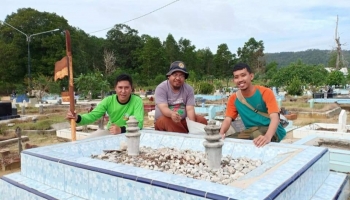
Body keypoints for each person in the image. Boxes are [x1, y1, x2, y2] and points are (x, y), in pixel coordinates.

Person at [219, 63, 286, 147]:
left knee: (256, 139)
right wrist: (221, 134)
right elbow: (228, 119)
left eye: (243, 75)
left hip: (271, 130)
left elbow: (275, 117)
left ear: (251, 76)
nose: (240, 79)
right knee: (230, 142)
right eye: (236, 77)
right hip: (250, 132)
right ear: (234, 80)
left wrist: (267, 137)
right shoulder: (233, 98)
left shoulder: (265, 92)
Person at [66, 74, 144, 138]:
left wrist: (121, 129)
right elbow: (93, 115)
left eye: (126, 88)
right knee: (88, 140)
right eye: (120, 87)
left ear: (131, 89)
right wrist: (77, 118)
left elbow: (139, 123)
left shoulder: (137, 101)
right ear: (115, 89)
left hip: (130, 133)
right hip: (111, 132)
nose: (123, 91)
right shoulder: (108, 100)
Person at [154, 61, 207, 133]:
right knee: (169, 121)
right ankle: (185, 137)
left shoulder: (188, 89)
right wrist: (172, 114)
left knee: (201, 120)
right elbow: (163, 108)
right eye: (175, 75)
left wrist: (193, 126)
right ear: (169, 76)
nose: (178, 78)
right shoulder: (161, 88)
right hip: (165, 119)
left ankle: (190, 135)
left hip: (182, 120)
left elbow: (190, 109)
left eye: (181, 75)